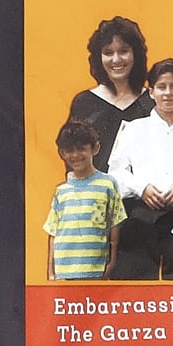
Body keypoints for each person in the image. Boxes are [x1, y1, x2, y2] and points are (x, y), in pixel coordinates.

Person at [106, 58, 173, 279]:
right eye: (161, 87)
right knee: (135, 286)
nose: (168, 93)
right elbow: (115, 174)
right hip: (139, 216)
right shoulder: (133, 129)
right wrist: (142, 188)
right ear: (151, 92)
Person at [69, 16, 154, 170]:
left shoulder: (152, 101)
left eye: (123, 51)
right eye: (108, 52)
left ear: (136, 54)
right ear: (98, 58)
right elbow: (73, 157)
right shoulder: (84, 103)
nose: (116, 59)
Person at [44, 118, 121, 281]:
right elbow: (53, 233)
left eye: (81, 149)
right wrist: (51, 272)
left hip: (95, 271)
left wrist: (111, 264)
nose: (75, 155)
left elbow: (114, 225)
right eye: (69, 150)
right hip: (64, 274)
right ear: (62, 153)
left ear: (95, 148)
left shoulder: (108, 184)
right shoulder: (61, 191)